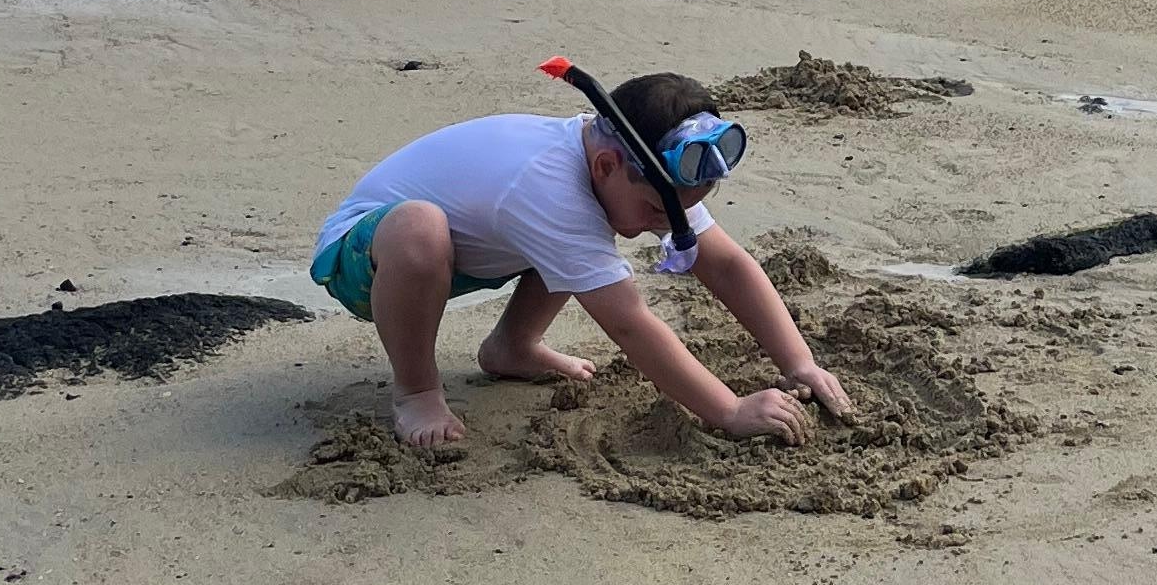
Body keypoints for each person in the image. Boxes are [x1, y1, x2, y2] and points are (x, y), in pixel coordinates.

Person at [310, 61, 851, 460]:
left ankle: (513, 348)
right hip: (370, 258)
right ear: (608, 165)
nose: (663, 227)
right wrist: (728, 410)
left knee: (583, 246)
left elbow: (726, 265)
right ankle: (417, 389)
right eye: (653, 211)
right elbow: (629, 323)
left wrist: (799, 363)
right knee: (428, 228)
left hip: (473, 253)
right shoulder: (549, 185)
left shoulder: (620, 174)